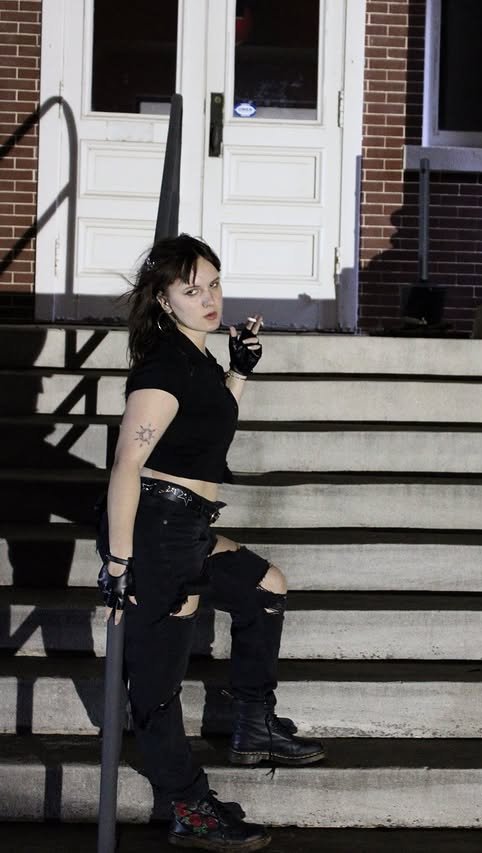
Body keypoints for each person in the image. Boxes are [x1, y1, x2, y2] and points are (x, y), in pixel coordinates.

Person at [97, 233, 325, 851]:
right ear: (164, 300)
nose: (209, 299)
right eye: (192, 290)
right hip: (156, 531)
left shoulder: (196, 358)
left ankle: (255, 724)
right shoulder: (163, 368)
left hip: (190, 523)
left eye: (215, 284)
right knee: (157, 682)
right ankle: (189, 806)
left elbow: (212, 420)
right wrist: (119, 562)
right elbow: (126, 466)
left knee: (265, 586)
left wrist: (239, 370)